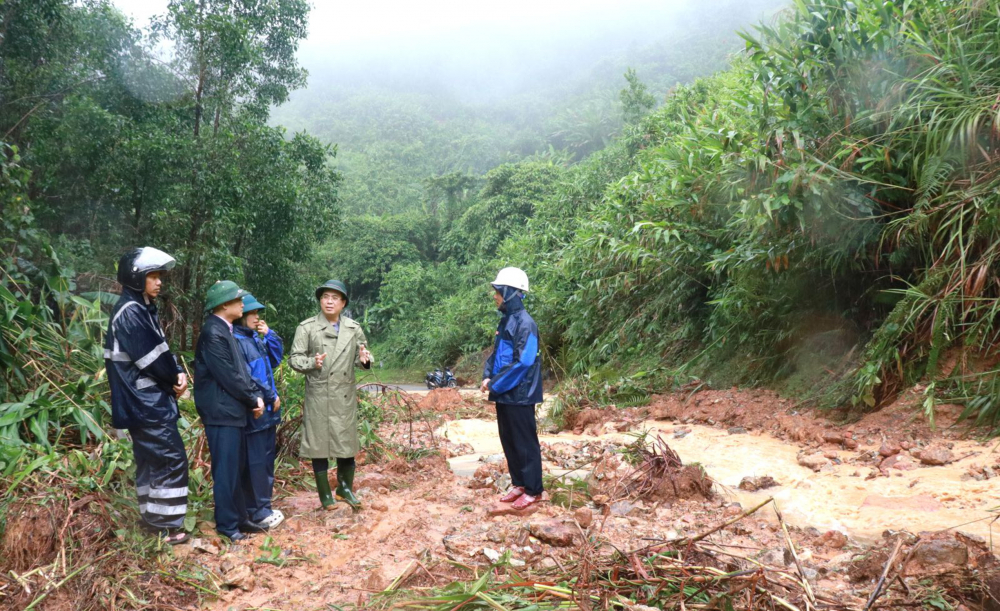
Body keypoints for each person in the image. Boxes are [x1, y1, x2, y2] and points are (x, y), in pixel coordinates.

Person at [105, 247, 190, 544]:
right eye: (153, 276)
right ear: (136, 278)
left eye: (159, 276)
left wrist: (176, 371)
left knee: (152, 461)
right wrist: (174, 378)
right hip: (146, 404)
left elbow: (162, 352)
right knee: (170, 459)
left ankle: (153, 522)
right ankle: (167, 527)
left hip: (145, 403)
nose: (159, 282)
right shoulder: (130, 312)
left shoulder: (141, 309)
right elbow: (152, 360)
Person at [289, 280, 372, 510]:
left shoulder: (354, 328)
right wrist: (311, 363)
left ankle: (345, 489)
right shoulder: (307, 327)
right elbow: (294, 359)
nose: (329, 301)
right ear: (320, 300)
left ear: (343, 303)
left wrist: (365, 359)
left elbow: (362, 355)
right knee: (320, 445)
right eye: (325, 296)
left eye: (335, 298)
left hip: (343, 395)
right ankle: (325, 494)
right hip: (319, 395)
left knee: (346, 444)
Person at [193, 280, 265, 541]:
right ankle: (226, 526)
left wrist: (253, 397)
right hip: (221, 412)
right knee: (226, 470)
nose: (242, 304)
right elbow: (228, 376)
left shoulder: (226, 329)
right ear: (224, 305)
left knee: (238, 468)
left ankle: (240, 518)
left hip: (232, 411)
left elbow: (241, 372)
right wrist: (251, 400)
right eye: (238, 300)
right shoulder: (213, 332)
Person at [481, 267, 544, 510]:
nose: (495, 296)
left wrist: (495, 383)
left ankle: (534, 490)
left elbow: (524, 362)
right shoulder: (506, 321)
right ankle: (519, 483)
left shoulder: (526, 323)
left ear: (509, 293)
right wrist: (487, 375)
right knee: (509, 439)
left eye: (497, 292)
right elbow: (496, 355)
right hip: (505, 394)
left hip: (520, 394)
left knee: (525, 442)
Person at [233, 293, 285, 530]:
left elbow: (274, 361)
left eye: (257, 313)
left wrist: (270, 335)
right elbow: (248, 378)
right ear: (240, 315)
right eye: (252, 313)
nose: (256, 317)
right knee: (254, 462)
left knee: (265, 461)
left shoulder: (254, 338)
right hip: (256, 409)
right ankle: (257, 512)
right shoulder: (236, 341)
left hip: (267, 412)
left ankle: (264, 506)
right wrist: (269, 395)